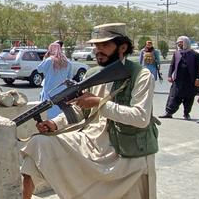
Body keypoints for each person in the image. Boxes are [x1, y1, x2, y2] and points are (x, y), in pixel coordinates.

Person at [21, 23, 158, 199]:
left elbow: (141, 118)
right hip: (91, 141)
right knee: (37, 145)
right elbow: (80, 108)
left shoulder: (141, 75)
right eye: (96, 46)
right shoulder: (92, 74)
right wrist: (55, 123)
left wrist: (98, 103)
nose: (98, 50)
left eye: (105, 45)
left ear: (122, 47)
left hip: (124, 150)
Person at [159, 36, 199, 120]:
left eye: (180, 42)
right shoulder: (176, 53)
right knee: (174, 96)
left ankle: (186, 114)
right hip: (178, 80)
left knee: (189, 98)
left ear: (186, 43)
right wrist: (170, 75)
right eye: (178, 43)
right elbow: (172, 65)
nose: (179, 44)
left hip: (190, 81)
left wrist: (197, 78)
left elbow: (198, 68)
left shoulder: (194, 54)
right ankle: (169, 112)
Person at [37, 42, 72, 119]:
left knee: (48, 109)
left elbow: (39, 69)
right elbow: (70, 77)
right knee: (59, 110)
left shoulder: (49, 60)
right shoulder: (67, 62)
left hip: (49, 90)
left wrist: (45, 58)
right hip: (62, 91)